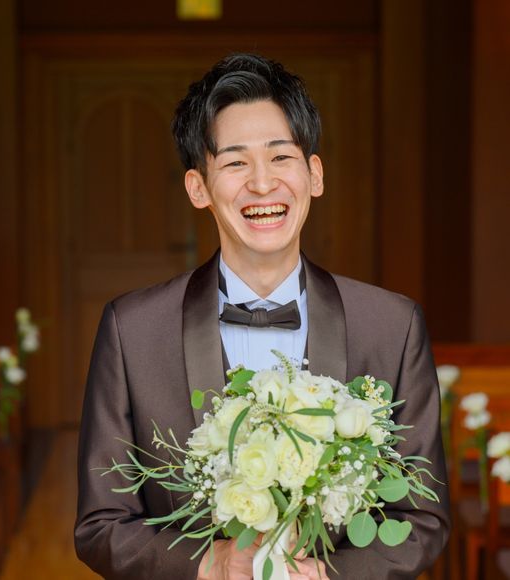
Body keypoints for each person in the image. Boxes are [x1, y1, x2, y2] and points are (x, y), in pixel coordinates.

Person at [75, 53, 450, 579]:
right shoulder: (132, 330)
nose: (262, 183)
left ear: (314, 174)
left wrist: (328, 574)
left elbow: (423, 519)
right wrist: (210, 564)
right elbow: (100, 525)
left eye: (280, 157)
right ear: (198, 187)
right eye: (235, 163)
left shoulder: (392, 326)